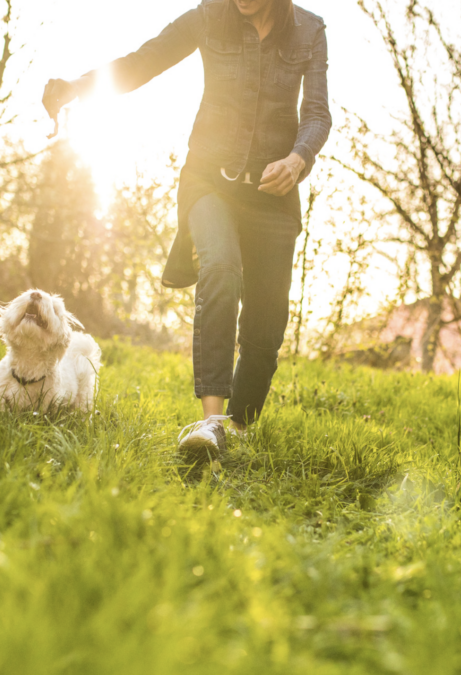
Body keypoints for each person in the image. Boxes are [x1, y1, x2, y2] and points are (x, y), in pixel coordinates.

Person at [42, 0, 331, 458]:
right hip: (208, 180)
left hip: (274, 194)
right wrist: (78, 85)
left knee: (266, 325)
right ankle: (209, 422)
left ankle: (237, 426)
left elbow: (317, 113)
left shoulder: (309, 31)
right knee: (220, 266)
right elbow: (144, 60)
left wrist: (298, 160)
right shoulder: (209, 16)